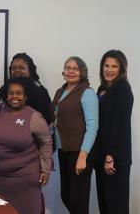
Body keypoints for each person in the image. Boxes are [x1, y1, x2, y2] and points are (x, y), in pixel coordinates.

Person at [0, 77, 53, 214]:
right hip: (0, 180)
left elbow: (46, 143)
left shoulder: (34, 116)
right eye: (11, 93)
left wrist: (46, 170)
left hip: (25, 180)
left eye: (19, 93)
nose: (14, 96)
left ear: (25, 96)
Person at [51, 56, 98, 214]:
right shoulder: (60, 91)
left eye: (75, 68)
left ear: (82, 72)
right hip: (64, 150)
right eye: (67, 67)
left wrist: (83, 156)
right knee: (66, 196)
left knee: (78, 200)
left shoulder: (87, 93)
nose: (70, 71)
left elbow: (92, 127)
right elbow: (54, 118)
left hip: (80, 152)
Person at [93, 50, 133, 214]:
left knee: (116, 205)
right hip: (101, 155)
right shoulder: (102, 89)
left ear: (121, 69)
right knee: (105, 204)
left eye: (114, 66)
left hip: (114, 158)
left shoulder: (123, 90)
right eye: (106, 65)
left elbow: (120, 126)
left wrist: (110, 157)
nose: (109, 69)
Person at [0, 53, 52, 124]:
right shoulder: (5, 88)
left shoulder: (39, 90)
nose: (17, 71)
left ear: (30, 70)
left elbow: (46, 119)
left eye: (22, 68)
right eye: (14, 68)